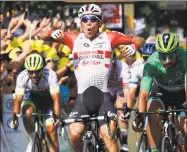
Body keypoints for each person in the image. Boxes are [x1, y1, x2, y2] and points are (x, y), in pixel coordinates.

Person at [40, 4, 145, 152]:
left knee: (108, 136)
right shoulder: (73, 37)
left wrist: (134, 46)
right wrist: (54, 31)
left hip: (104, 98)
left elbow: (140, 40)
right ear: (80, 22)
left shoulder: (110, 37)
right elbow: (41, 36)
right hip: (83, 98)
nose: (88, 23)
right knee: (74, 133)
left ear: (100, 23)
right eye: (84, 19)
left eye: (93, 19)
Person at [133, 32, 187, 152]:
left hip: (181, 94)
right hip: (161, 92)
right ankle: (155, 150)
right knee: (150, 115)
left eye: (171, 56)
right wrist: (141, 116)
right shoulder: (152, 62)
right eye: (163, 57)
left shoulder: (185, 58)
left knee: (185, 126)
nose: (167, 61)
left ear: (177, 52)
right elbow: (143, 94)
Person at [11, 53, 61, 152]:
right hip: (32, 98)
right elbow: (18, 100)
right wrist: (15, 117)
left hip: (48, 101)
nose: (34, 75)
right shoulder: (22, 77)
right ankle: (31, 139)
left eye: (37, 72)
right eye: (31, 72)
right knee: (27, 113)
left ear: (42, 69)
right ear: (27, 71)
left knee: (51, 130)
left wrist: (57, 117)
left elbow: (56, 99)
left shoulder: (50, 75)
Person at [116, 44, 144, 151]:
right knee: (122, 106)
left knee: (138, 115)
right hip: (127, 91)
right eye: (126, 55)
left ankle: (139, 146)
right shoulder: (122, 65)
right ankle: (124, 142)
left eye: (131, 54)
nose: (128, 57)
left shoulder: (139, 62)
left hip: (141, 91)